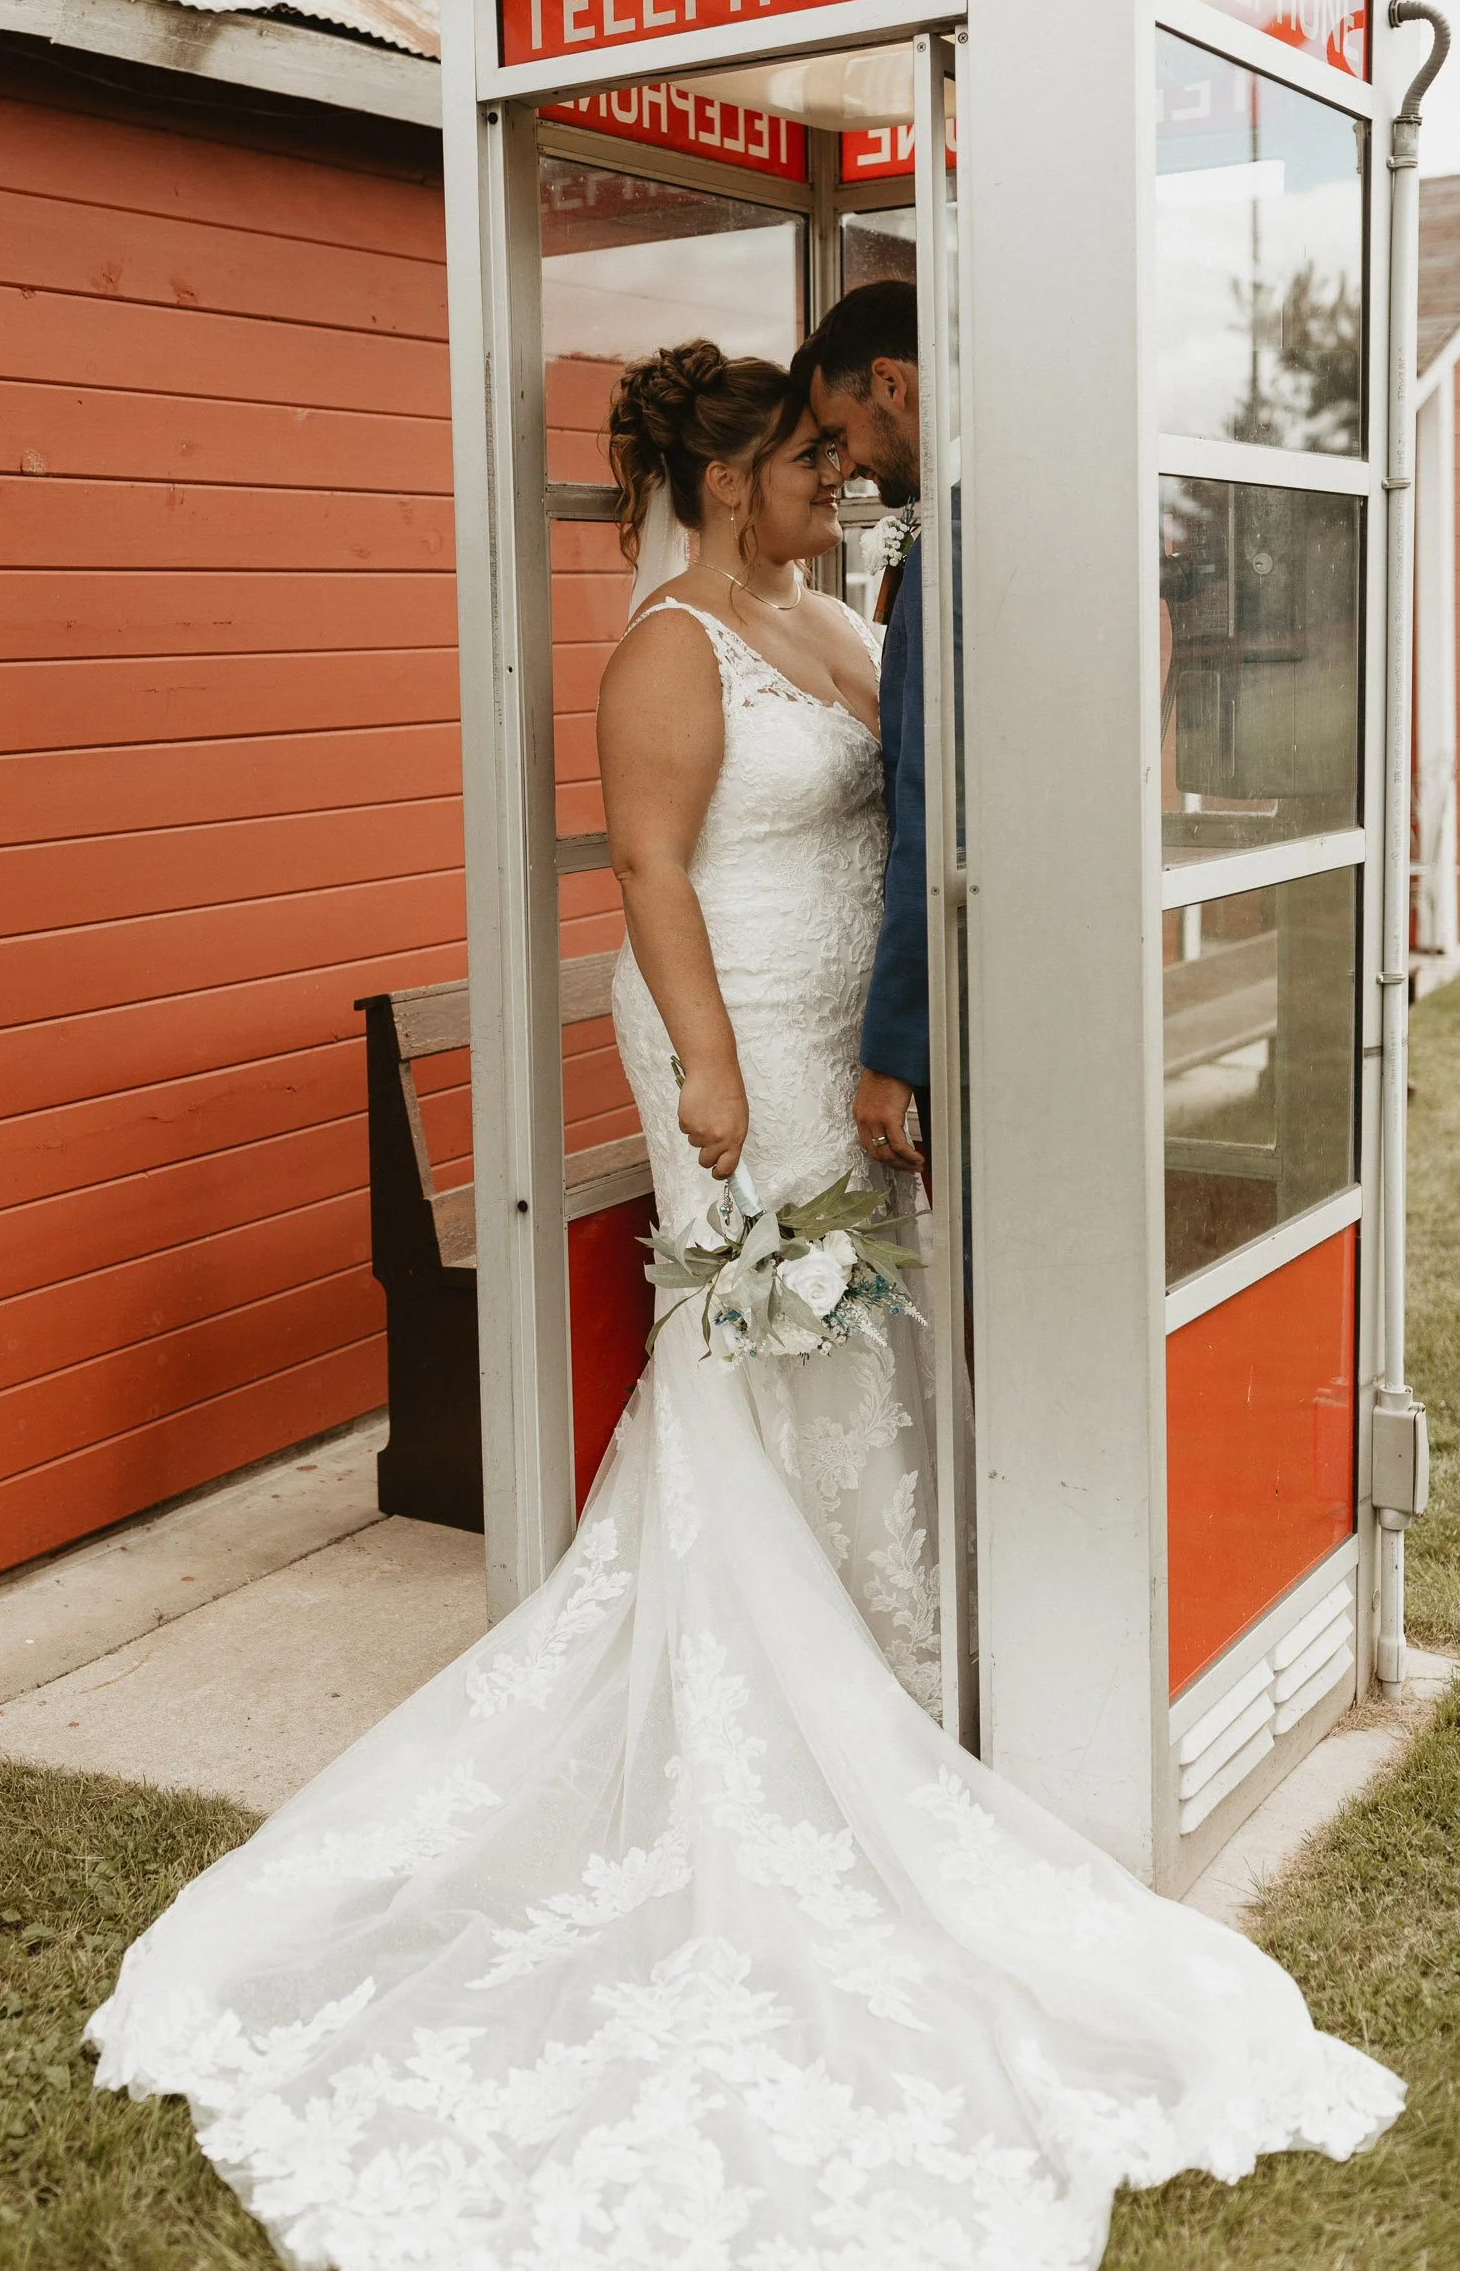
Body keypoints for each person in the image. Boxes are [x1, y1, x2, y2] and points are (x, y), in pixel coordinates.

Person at [86, 341, 1400, 2269]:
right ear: (720, 483)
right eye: (800, 462)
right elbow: (645, 863)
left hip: (834, 1014)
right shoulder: (670, 651)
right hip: (736, 1036)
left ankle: (883, 1667)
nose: (831, 484)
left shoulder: (823, 608)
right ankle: (787, 1683)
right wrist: (704, 1060)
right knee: (776, 1338)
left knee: (867, 1335)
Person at [794, 280, 935, 1185]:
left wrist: (891, 1055)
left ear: (889, 381)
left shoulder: (951, 548)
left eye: (837, 434)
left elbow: (936, 816)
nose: (840, 468)